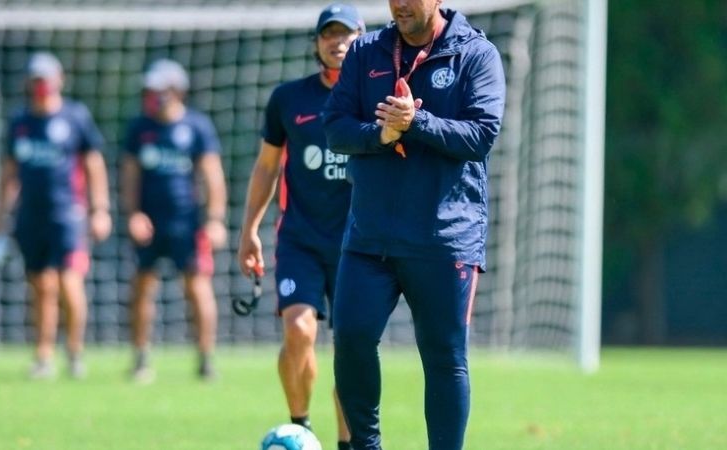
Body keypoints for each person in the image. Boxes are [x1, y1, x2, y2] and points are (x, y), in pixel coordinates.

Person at [323, 0, 506, 448]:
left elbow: (482, 135)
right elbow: (335, 128)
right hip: (371, 240)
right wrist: (380, 135)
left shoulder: (476, 54)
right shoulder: (366, 51)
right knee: (350, 338)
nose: (400, 4)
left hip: (444, 241)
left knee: (445, 359)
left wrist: (415, 122)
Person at [237, 4, 365, 449]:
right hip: (301, 240)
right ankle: (301, 427)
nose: (338, 42)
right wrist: (248, 228)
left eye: (346, 33)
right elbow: (267, 166)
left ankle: (348, 443)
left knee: (354, 351)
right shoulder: (288, 99)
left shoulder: (379, 97)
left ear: (363, 38)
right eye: (329, 34)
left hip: (361, 245)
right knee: (299, 330)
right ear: (316, 43)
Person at [0, 52, 112, 379]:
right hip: (31, 216)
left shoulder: (75, 117)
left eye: (46, 78)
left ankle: (74, 352)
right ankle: (43, 355)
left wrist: (99, 209)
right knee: (42, 286)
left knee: (69, 283)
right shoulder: (20, 122)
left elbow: (93, 165)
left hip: (68, 215)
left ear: (59, 80)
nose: (41, 85)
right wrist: (0, 221)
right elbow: (9, 173)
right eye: (36, 79)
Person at [121, 59, 227, 382]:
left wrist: (215, 219)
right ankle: (141, 358)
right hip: (150, 224)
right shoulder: (140, 128)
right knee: (142, 286)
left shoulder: (196, 127)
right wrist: (133, 214)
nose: (153, 96)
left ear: (177, 91)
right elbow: (129, 177)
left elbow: (212, 176)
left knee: (197, 286)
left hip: (187, 223)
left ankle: (205, 357)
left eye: (159, 90)